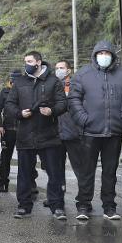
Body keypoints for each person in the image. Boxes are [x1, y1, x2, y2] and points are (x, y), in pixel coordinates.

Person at [68, 41, 122, 221]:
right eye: (101, 52)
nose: (104, 55)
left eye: (107, 52)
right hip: (89, 133)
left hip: (114, 132)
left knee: (110, 172)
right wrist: (83, 120)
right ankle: (83, 205)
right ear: (95, 55)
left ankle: (109, 206)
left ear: (112, 55)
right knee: (86, 171)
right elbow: (73, 99)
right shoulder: (83, 74)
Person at [5, 51, 67, 220]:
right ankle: (24, 206)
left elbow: (63, 103)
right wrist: (19, 113)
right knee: (24, 173)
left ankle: (57, 207)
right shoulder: (19, 82)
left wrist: (51, 111)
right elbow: (9, 104)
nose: (27, 65)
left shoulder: (53, 81)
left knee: (54, 173)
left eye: (30, 61)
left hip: (49, 134)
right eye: (25, 61)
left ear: (38, 62)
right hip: (25, 134)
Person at [55, 60, 83, 188]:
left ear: (68, 70)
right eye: (57, 68)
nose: (58, 70)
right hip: (56, 133)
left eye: (61, 67)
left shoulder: (76, 85)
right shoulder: (53, 85)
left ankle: (84, 196)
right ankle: (58, 193)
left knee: (79, 166)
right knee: (56, 167)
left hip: (73, 133)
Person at [0, 70, 21, 192]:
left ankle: (30, 183)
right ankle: (2, 182)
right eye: (11, 79)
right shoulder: (4, 92)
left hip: (23, 130)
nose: (13, 82)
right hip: (8, 130)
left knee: (26, 158)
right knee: (5, 157)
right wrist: (0, 126)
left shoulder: (25, 90)